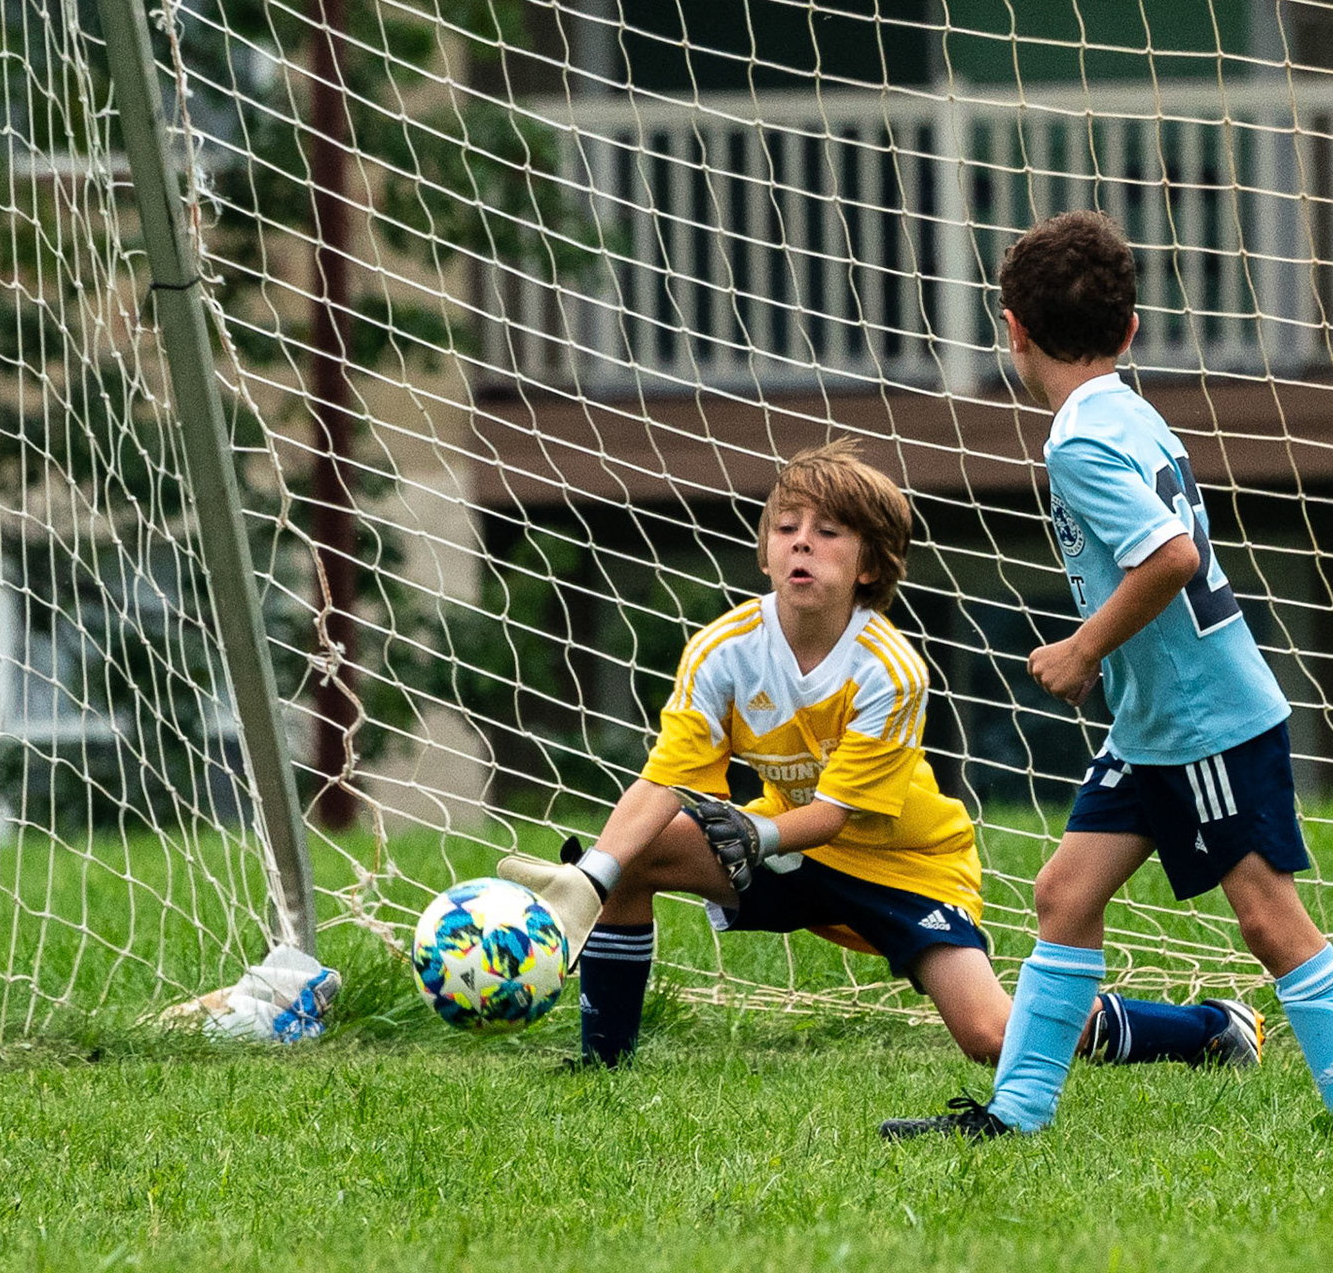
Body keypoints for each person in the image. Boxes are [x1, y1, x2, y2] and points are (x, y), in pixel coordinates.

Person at [499, 441, 1258, 1072]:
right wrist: (591, 878)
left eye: (828, 532)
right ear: (765, 551)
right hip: (783, 844)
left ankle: (1207, 1030)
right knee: (633, 856)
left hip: (904, 866)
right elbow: (666, 779)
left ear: (870, 564)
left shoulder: (886, 668)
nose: (801, 541)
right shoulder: (721, 651)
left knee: (993, 1037)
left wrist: (756, 836)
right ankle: (603, 1062)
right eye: (785, 526)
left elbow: (834, 814)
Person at [881, 210, 1333, 1140]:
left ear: (1014, 329)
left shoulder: (1077, 442)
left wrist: (1082, 649)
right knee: (1063, 895)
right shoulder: (1127, 410)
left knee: (1270, 921)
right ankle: (1013, 1116)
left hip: (1205, 722)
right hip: (1155, 725)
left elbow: (1169, 558)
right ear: (1129, 332)